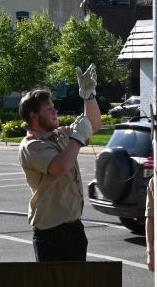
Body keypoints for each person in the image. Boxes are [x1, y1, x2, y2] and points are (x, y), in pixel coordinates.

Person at [18, 64, 101, 261]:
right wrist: (78, 138)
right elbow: (59, 168)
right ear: (34, 115)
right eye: (49, 109)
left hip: (74, 228)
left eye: (54, 107)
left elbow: (94, 124)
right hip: (51, 234)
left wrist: (89, 96)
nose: (55, 111)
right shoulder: (32, 146)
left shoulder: (60, 135)